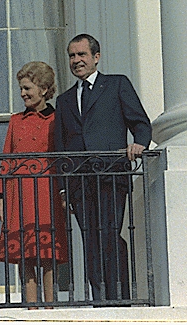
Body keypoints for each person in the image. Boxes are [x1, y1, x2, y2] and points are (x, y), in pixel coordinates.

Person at [53, 33, 152, 302]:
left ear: (96, 57)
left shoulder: (117, 84)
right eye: (72, 56)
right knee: (91, 240)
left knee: (110, 235)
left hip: (111, 175)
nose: (76, 60)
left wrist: (139, 144)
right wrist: (62, 189)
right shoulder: (64, 100)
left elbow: (140, 122)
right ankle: (99, 299)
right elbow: (59, 148)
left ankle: (119, 297)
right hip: (79, 183)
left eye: (82, 54)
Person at [0, 61, 68, 308]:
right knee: (24, 253)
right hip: (19, 192)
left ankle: (50, 306)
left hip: (47, 190)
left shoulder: (57, 118)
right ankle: (31, 307)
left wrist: (63, 191)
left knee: (48, 250)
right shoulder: (16, 120)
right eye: (21, 89)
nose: (23, 93)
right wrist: (1, 196)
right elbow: (7, 158)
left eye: (28, 88)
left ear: (44, 89)